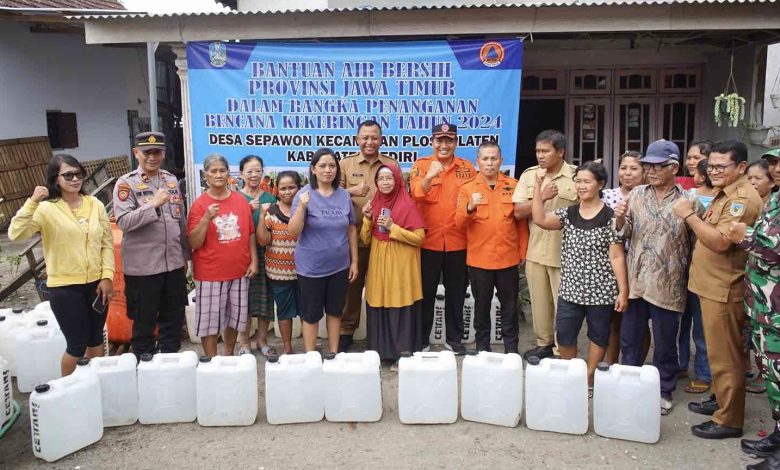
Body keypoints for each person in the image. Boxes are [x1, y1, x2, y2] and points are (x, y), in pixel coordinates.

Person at [676, 139, 762, 439]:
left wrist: (688, 215)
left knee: (727, 357)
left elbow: (720, 242)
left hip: (724, 288)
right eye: (709, 166)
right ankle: (722, 400)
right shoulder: (724, 193)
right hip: (710, 284)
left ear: (740, 167)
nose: (712, 171)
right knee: (717, 353)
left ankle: (729, 419)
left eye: (719, 166)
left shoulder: (742, 200)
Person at [614, 140, 699, 415]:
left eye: (658, 166)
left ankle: (664, 389)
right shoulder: (637, 194)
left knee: (665, 342)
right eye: (648, 165)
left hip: (669, 283)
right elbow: (624, 234)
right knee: (630, 339)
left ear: (674, 167)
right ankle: (629, 385)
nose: (651, 170)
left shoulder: (689, 200)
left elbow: (697, 241)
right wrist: (619, 220)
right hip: (637, 281)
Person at [9, 154, 113, 375]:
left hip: (96, 284)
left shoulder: (94, 204)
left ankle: (96, 385)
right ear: (55, 179)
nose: (75, 179)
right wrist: (32, 202)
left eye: (79, 174)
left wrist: (107, 276)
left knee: (96, 340)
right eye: (68, 175)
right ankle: (69, 388)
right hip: (64, 288)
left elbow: (106, 243)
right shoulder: (46, 209)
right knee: (76, 345)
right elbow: (16, 234)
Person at [531, 160, 628, 389]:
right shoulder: (569, 213)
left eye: (587, 181)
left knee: (598, 335)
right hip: (570, 289)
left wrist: (623, 291)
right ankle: (572, 373)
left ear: (600, 184)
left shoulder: (610, 217)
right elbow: (541, 219)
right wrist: (538, 187)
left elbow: (617, 256)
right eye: (578, 181)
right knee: (564, 335)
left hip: (601, 291)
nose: (581, 186)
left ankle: (590, 377)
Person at [113, 131, 190, 360]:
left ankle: (169, 364)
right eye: (147, 152)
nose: (152, 157)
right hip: (143, 269)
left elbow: (181, 221)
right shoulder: (126, 183)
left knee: (173, 320)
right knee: (144, 322)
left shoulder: (171, 180)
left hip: (173, 265)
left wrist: (185, 256)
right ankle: (143, 366)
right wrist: (153, 205)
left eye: (157, 152)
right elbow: (124, 222)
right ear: (136, 153)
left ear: (163, 153)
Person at [729, 151, 780, 465]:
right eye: (773, 163)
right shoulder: (774, 198)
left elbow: (773, 250)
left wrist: (744, 235)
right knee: (772, 377)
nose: (776, 169)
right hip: (764, 306)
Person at [455, 142, 529, 354]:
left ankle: (512, 350)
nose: (489, 163)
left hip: (508, 259)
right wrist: (470, 207)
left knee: (509, 307)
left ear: (501, 160)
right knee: (481, 307)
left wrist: (522, 252)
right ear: (477, 161)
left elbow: (521, 224)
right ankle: (482, 349)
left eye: (493, 158)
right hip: (480, 260)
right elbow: (458, 223)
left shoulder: (514, 186)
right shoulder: (467, 189)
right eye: (485, 159)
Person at [409, 123, 476, 354]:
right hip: (428, 241)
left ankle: (454, 340)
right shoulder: (421, 165)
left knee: (456, 292)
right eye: (440, 140)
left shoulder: (467, 168)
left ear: (456, 142)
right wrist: (430, 176)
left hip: (459, 240)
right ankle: (422, 339)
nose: (444, 145)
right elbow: (417, 192)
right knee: (425, 293)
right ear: (432, 142)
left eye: (449, 140)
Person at [513, 130, 578, 360]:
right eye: (538, 151)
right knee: (540, 305)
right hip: (536, 250)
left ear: (560, 152)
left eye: (545, 151)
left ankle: (564, 350)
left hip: (566, 253)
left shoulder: (576, 176)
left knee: (565, 307)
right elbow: (518, 211)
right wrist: (541, 196)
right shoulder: (530, 176)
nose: (540, 156)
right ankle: (544, 344)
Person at [288, 148, 359, 354]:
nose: (328, 170)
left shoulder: (344, 195)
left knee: (335, 311)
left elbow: (351, 229)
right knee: (311, 314)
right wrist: (302, 207)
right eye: (323, 166)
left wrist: (354, 262)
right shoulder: (303, 195)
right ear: (313, 169)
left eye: (332, 166)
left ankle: (333, 353)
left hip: (339, 266)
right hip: (311, 268)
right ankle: (311, 354)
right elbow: (294, 231)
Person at [187, 154, 258, 357]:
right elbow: (194, 242)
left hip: (240, 271)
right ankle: (210, 359)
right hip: (210, 273)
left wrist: (253, 260)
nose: (218, 175)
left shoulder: (240, 201)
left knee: (236, 317)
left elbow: (250, 233)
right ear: (205, 175)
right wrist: (205, 219)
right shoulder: (200, 205)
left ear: (229, 173)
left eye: (222, 170)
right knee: (209, 321)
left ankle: (227, 354)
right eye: (213, 171)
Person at [338, 120, 399, 352]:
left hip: (383, 239)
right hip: (353, 239)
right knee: (351, 288)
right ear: (357, 139)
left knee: (381, 287)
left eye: (374, 137)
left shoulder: (391, 164)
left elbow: (400, 198)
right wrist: (351, 191)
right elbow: (329, 196)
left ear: (381, 139)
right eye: (365, 137)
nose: (369, 142)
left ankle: (379, 334)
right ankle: (346, 332)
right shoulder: (345, 164)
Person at [360, 165, 427, 362]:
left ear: (397, 180)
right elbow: (365, 239)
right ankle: (380, 353)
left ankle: (402, 354)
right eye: (381, 179)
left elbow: (419, 238)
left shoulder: (407, 205)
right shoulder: (374, 203)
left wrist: (393, 228)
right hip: (379, 260)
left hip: (401, 262)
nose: (385, 182)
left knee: (400, 300)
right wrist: (367, 218)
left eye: (389, 178)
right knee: (379, 300)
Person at [601, 150, 646, 364]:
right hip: (612, 263)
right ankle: (611, 364)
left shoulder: (649, 195)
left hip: (641, 264)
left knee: (638, 320)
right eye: (623, 168)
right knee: (613, 319)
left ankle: (635, 364)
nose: (627, 173)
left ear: (644, 171)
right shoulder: (607, 196)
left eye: (634, 168)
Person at [678, 157, 715, 395]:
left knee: (701, 327)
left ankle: (704, 372)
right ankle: (680, 364)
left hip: (705, 271)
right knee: (680, 323)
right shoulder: (686, 196)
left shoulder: (722, 201)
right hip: (681, 269)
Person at [257, 171, 303, 355]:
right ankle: (287, 347)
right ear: (277, 190)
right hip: (278, 272)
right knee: (284, 312)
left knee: (308, 311)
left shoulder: (305, 209)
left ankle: (309, 346)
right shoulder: (271, 211)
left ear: (299, 188)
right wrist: (261, 216)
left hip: (305, 271)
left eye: (291, 187)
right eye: (283, 188)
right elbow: (263, 240)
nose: (287, 192)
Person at [235, 155, 277, 357]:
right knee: (244, 298)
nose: (254, 175)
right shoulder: (235, 198)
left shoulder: (270, 198)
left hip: (266, 252)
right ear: (241, 173)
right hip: (242, 254)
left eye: (258, 170)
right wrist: (244, 211)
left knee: (265, 298)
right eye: (249, 171)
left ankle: (261, 340)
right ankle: (243, 342)